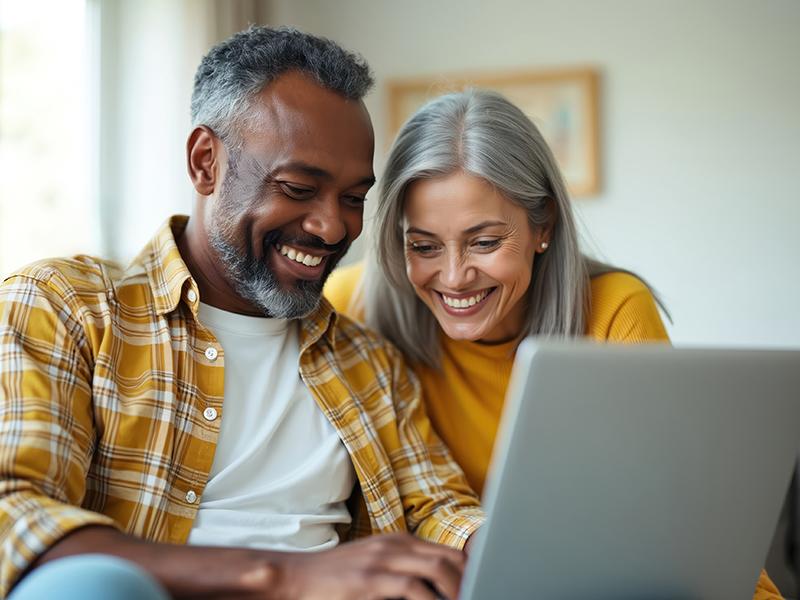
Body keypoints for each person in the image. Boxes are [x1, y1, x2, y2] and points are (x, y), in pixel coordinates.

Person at [0, 26, 485, 600]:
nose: (332, 227)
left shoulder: (368, 360)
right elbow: (14, 513)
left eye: (354, 199)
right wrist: (282, 575)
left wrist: (504, 548)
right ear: (205, 162)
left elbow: (439, 509)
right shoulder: (67, 308)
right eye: (298, 187)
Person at [324, 88, 783, 599]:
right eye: (424, 246)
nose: (453, 277)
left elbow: (679, 534)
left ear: (543, 224)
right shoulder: (350, 307)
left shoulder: (613, 312)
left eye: (485, 242)